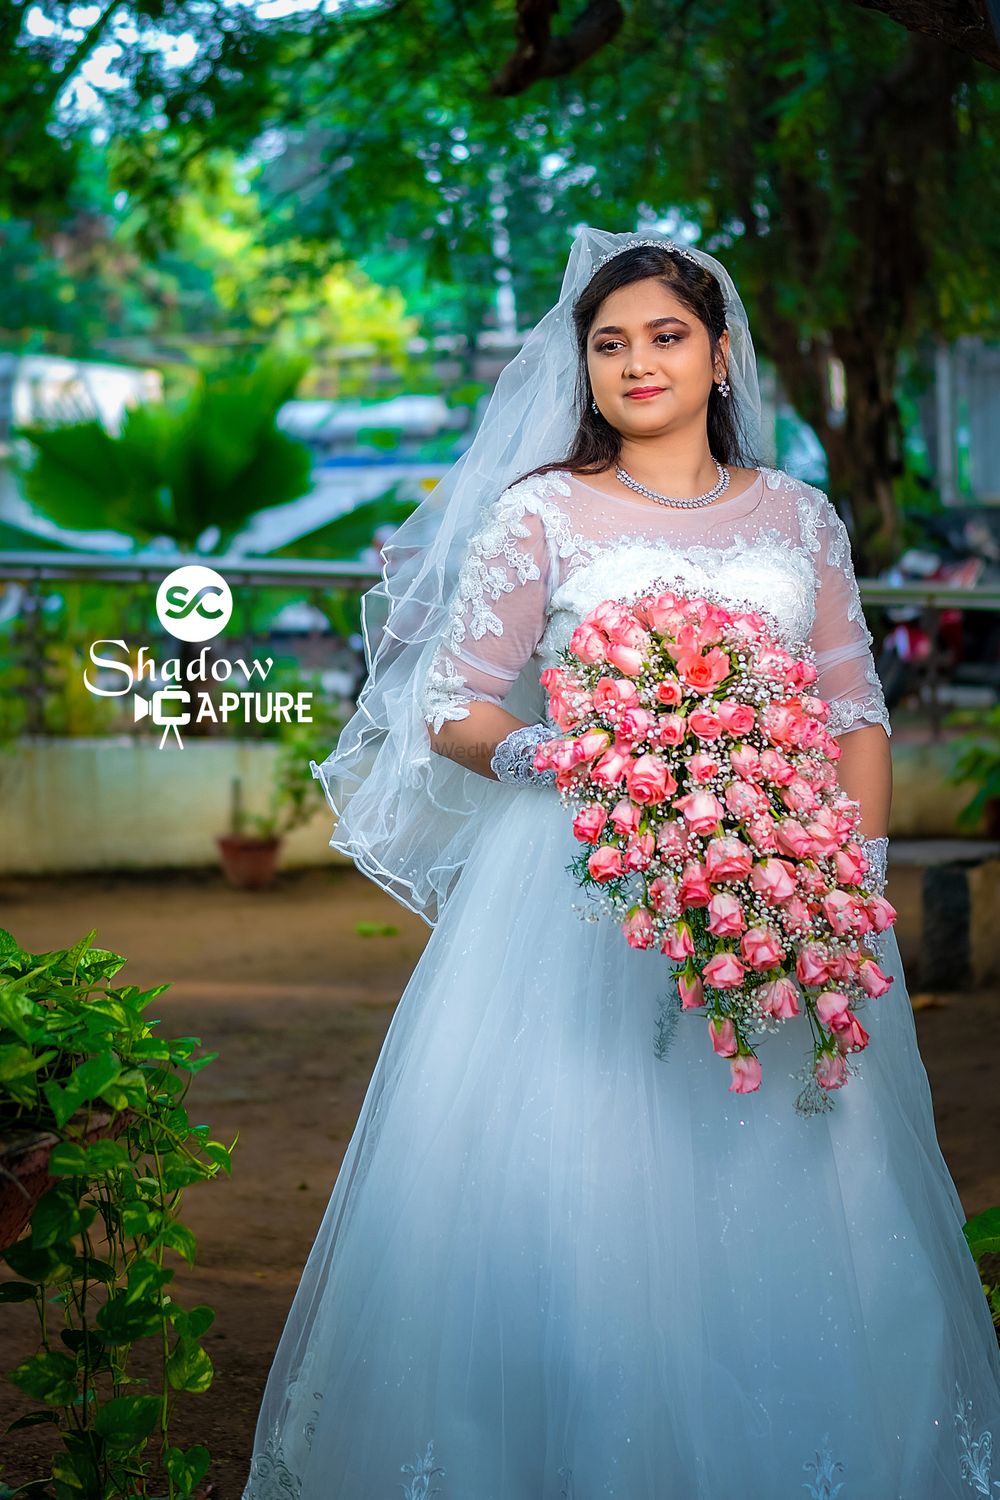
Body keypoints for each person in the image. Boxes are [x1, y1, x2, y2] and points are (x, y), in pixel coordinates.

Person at [242, 228, 1000, 1499]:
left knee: (791, 1164)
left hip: (779, 896)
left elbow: (852, 711)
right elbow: (457, 707)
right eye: (608, 343)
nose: (636, 362)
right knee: (583, 1173)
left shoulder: (800, 519)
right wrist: (592, 759)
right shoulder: (537, 511)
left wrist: (844, 895)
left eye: (665, 336)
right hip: (576, 900)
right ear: (581, 369)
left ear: (719, 359)